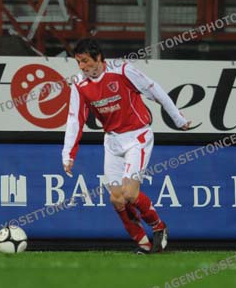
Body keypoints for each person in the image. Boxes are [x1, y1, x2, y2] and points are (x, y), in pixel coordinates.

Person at [62, 38, 191, 253]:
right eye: (78, 62)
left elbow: (154, 89)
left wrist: (178, 118)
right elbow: (75, 119)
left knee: (130, 193)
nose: (82, 66)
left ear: (98, 58)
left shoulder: (122, 70)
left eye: (85, 61)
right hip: (112, 141)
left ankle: (159, 227)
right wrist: (68, 154)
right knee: (116, 199)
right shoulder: (79, 83)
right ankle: (143, 243)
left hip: (137, 137)